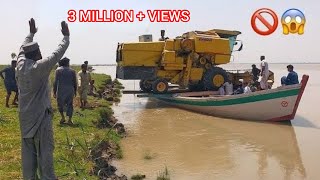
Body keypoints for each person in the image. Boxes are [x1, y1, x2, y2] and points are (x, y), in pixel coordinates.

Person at [15, 18, 70, 179]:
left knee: (28, 160)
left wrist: (31, 33)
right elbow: (57, 54)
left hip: (25, 119)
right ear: (37, 53)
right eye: (40, 52)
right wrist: (66, 37)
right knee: (45, 158)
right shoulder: (38, 67)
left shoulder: (20, 64)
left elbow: (21, 47)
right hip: (40, 121)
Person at [53, 57, 77, 125]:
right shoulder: (72, 71)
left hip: (61, 90)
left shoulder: (58, 70)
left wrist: (54, 91)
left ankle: (63, 117)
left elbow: (55, 82)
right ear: (67, 63)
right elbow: (74, 82)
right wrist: (75, 91)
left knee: (60, 104)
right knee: (70, 104)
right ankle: (69, 120)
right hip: (70, 90)